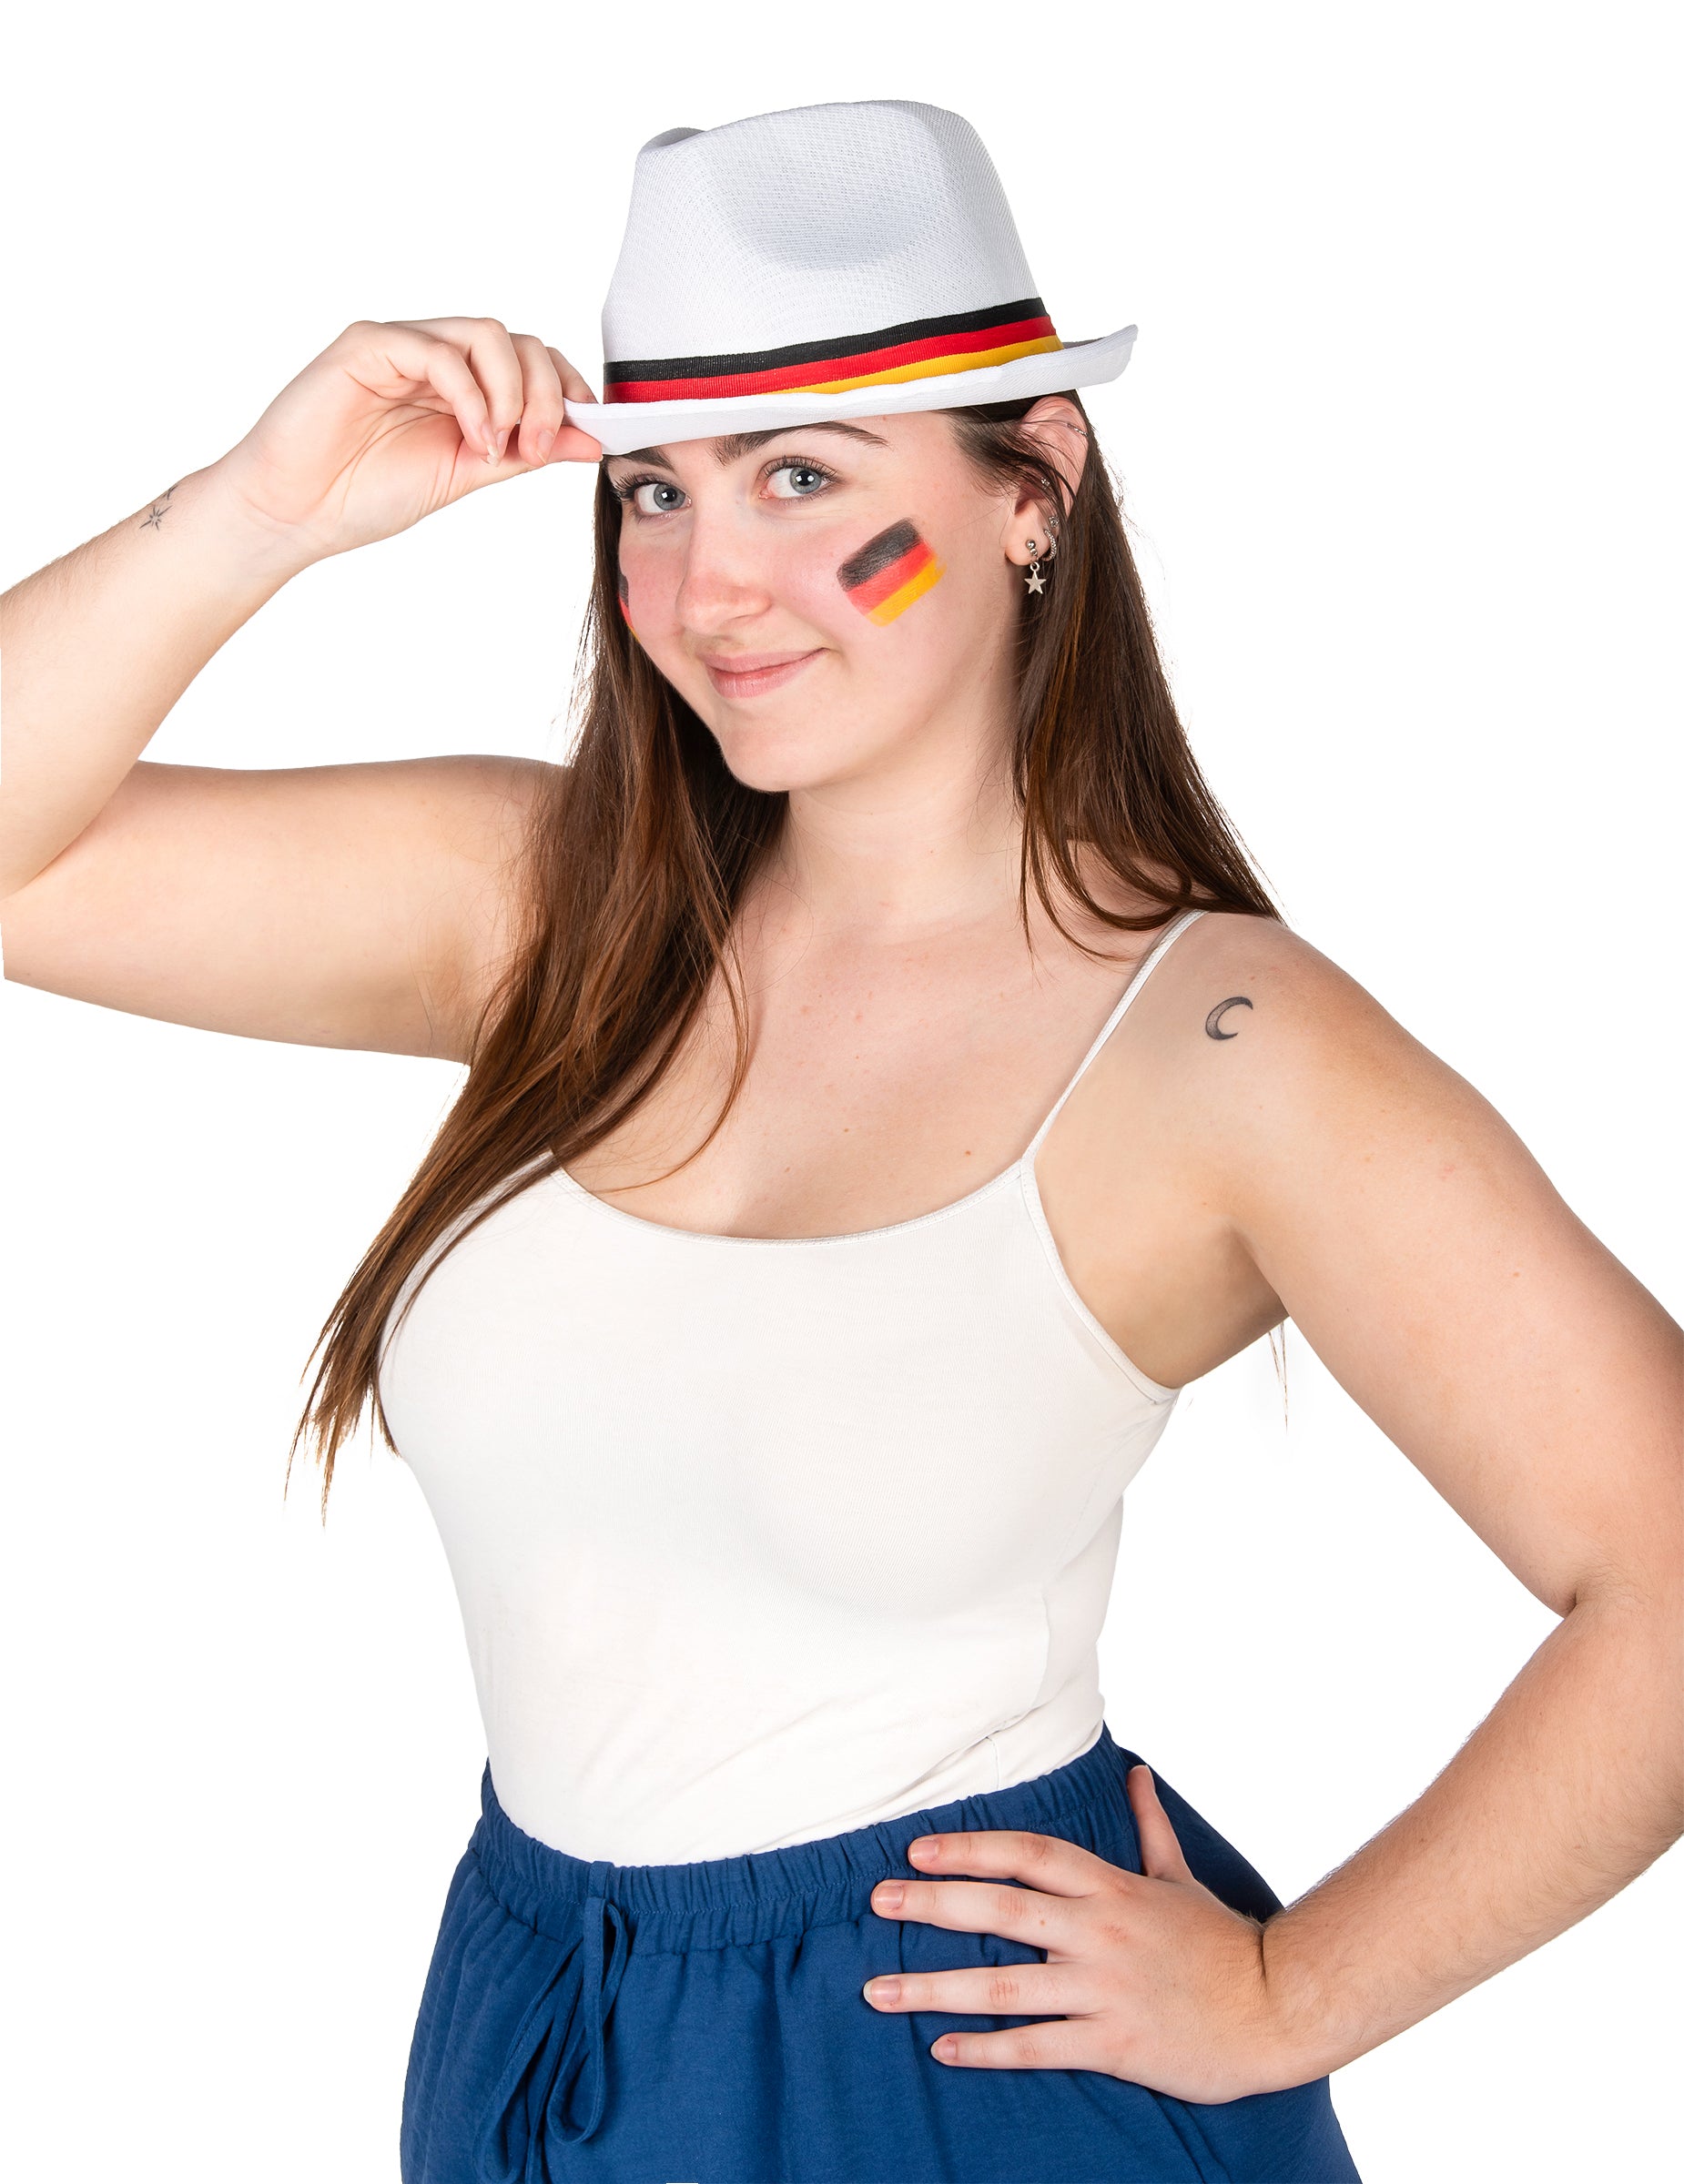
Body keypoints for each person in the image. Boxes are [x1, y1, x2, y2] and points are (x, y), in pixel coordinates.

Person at [2, 97, 1677, 2184]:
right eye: (654, 489)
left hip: (946, 2068)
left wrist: (1284, 1992)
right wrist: (250, 516)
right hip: (537, 2009)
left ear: (1030, 485)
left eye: (803, 478)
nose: (711, 584)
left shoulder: (1219, 1047)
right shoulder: (550, 915)